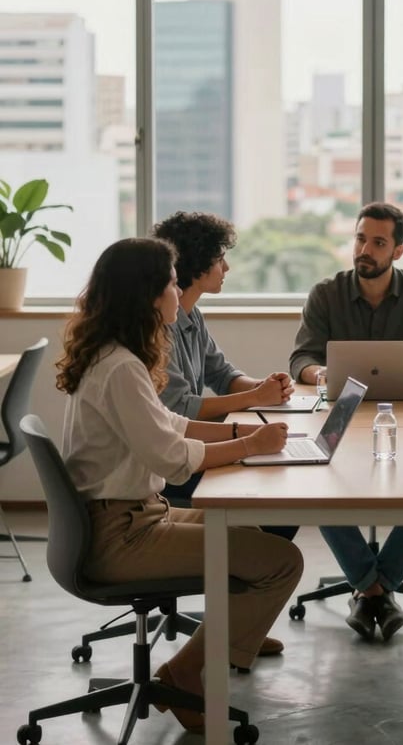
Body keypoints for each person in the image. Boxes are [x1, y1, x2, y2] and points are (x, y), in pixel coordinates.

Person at [55, 238, 303, 734]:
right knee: (281, 562)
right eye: (170, 281)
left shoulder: (113, 353)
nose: (177, 289)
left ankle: (204, 658)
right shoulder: (121, 366)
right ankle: (185, 673)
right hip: (122, 536)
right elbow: (171, 459)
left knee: (255, 534)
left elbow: (168, 421)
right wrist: (250, 446)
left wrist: (241, 433)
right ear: (150, 294)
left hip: (129, 517)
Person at [289, 201, 403, 642]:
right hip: (341, 407)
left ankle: (369, 589)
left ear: (397, 251)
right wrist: (319, 373)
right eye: (361, 238)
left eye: (378, 242)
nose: (365, 249)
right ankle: (377, 588)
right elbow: (300, 357)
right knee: (318, 483)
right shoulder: (327, 292)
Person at [152, 212, 297, 544]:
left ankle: (251, 577)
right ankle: (252, 573)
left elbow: (223, 374)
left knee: (280, 489)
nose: (226, 268)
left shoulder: (192, 316)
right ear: (199, 266)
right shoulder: (159, 329)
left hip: (194, 445)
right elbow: (182, 408)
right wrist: (253, 399)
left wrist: (262, 387)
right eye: (220, 259)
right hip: (173, 464)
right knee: (277, 497)